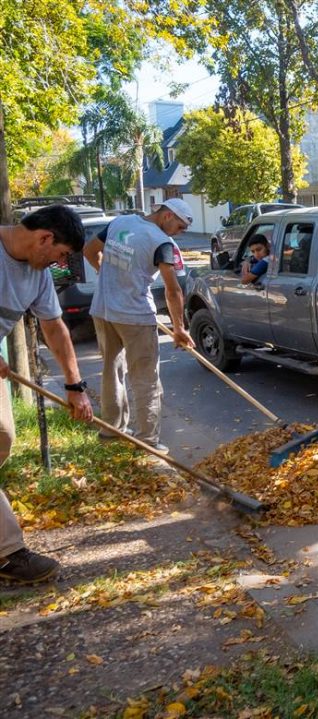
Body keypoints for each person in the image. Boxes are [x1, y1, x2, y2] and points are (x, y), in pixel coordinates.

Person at [0, 205, 94, 584]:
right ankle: (8, 555)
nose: (61, 263)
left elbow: (54, 328)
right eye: (61, 255)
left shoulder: (37, 277)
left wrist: (75, 387)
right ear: (44, 238)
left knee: (3, 437)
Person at [83, 199, 195, 454]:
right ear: (167, 215)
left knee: (111, 370)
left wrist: (107, 276)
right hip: (135, 316)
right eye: (179, 226)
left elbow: (90, 251)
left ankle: (111, 429)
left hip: (103, 309)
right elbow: (173, 289)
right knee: (146, 379)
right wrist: (179, 328)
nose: (179, 233)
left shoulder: (121, 222)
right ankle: (148, 441)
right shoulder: (161, 242)